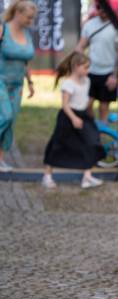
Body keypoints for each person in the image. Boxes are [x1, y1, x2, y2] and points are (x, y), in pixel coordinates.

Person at [42, 52, 105, 189]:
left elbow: (84, 100)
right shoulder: (68, 84)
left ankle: (87, 177)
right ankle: (47, 175)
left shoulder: (87, 81)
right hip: (68, 116)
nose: (88, 71)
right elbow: (65, 105)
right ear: (76, 67)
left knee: (91, 142)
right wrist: (74, 118)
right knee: (58, 145)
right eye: (85, 67)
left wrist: (88, 110)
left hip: (82, 116)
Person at [0, 0, 36, 172]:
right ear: (18, 13)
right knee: (4, 116)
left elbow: (26, 61)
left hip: (17, 85)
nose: (31, 21)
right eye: (29, 17)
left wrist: (30, 82)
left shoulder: (26, 34)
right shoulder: (3, 29)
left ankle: (0, 161)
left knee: (10, 124)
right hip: (1, 81)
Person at [76, 1, 118, 122]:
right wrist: (81, 65)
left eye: (104, 8)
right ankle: (93, 129)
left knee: (104, 107)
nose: (102, 11)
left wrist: (114, 75)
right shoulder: (90, 25)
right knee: (87, 104)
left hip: (109, 72)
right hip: (91, 71)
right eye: (99, 8)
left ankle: (101, 133)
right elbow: (80, 47)